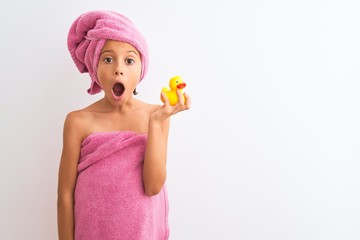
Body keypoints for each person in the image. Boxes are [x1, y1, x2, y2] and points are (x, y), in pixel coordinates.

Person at [57, 10, 190, 240]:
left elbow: (153, 187)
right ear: (95, 65)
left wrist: (157, 123)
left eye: (129, 60)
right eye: (108, 59)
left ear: (141, 69)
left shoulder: (156, 115)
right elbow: (65, 195)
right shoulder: (78, 121)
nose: (118, 68)